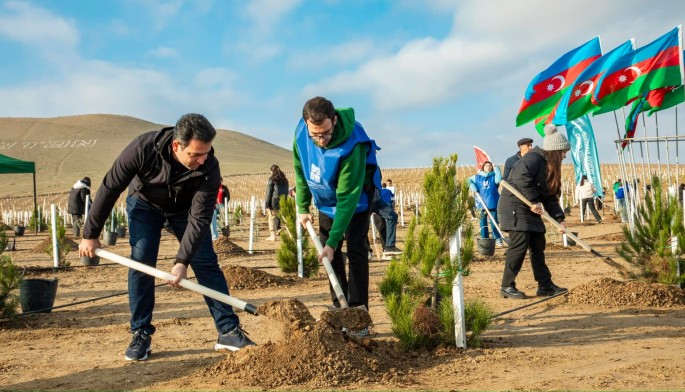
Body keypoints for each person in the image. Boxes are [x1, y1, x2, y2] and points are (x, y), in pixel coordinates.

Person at [78, 113, 255, 361]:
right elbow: (110, 187)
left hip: (184, 212)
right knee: (141, 261)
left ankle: (228, 330)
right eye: (195, 154)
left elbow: (200, 218)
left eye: (206, 153)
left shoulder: (209, 167)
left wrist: (182, 260)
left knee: (205, 262)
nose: (202, 160)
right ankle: (141, 333)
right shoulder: (143, 148)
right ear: (176, 146)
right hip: (144, 204)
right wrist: (90, 234)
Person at [293, 96, 381, 319]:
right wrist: (302, 206)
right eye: (315, 135)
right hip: (325, 197)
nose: (321, 139)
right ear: (306, 124)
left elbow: (347, 198)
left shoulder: (353, 144)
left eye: (326, 133)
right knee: (328, 254)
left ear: (333, 120)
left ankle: (358, 309)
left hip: (356, 199)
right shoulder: (301, 135)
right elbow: (301, 171)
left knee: (355, 249)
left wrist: (333, 241)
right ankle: (340, 305)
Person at [497, 124, 569, 299]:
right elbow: (521, 178)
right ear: (554, 150)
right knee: (519, 245)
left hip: (530, 207)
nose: (565, 155)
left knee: (538, 246)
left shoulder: (549, 167)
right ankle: (507, 286)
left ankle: (545, 285)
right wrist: (533, 201)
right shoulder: (534, 158)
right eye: (563, 152)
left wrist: (559, 218)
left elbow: (550, 196)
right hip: (515, 205)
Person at [468, 161, 503, 246]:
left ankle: (498, 239)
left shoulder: (493, 176)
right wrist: (472, 186)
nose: (488, 167)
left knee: (494, 223)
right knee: (483, 224)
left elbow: (499, 180)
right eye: (486, 166)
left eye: (490, 166)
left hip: (492, 203)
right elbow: (468, 180)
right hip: (481, 204)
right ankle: (485, 240)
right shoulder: (477, 177)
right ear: (483, 167)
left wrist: (497, 169)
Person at [264, 164, 290, 241]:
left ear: (272, 171)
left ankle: (272, 236)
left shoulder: (272, 179)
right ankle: (291, 234)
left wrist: (267, 204)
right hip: (283, 200)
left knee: (272, 218)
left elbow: (269, 192)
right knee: (284, 218)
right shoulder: (285, 180)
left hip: (274, 201)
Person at [374, 182, 401, 254]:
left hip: (377, 200)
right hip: (363, 199)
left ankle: (389, 246)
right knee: (360, 227)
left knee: (392, 216)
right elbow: (393, 196)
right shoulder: (388, 190)